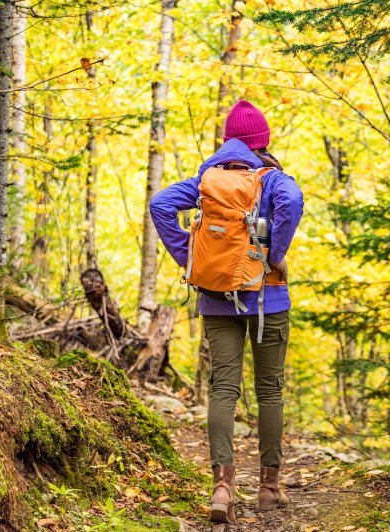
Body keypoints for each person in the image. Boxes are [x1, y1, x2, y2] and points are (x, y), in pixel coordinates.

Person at [150, 100, 304, 523]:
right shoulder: (272, 179)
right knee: (269, 390)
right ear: (263, 142)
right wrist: (276, 252)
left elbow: (161, 204)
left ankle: (222, 487)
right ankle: (270, 489)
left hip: (217, 299)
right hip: (268, 298)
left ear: (227, 141)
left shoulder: (206, 179)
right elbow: (291, 200)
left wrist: (191, 259)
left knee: (223, 389)